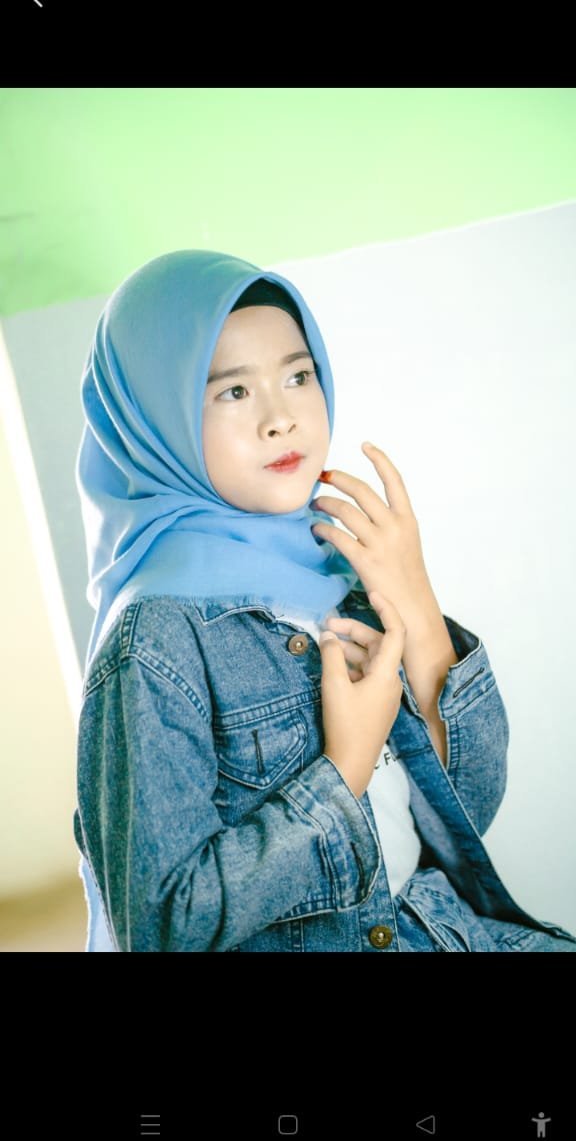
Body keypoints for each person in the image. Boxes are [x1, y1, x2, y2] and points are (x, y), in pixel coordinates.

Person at [73, 249, 576, 952]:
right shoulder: (154, 641)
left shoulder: (339, 568)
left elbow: (469, 813)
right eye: (233, 391)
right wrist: (342, 771)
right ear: (154, 419)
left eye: (298, 376)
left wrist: (416, 600)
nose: (281, 418)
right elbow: (161, 927)